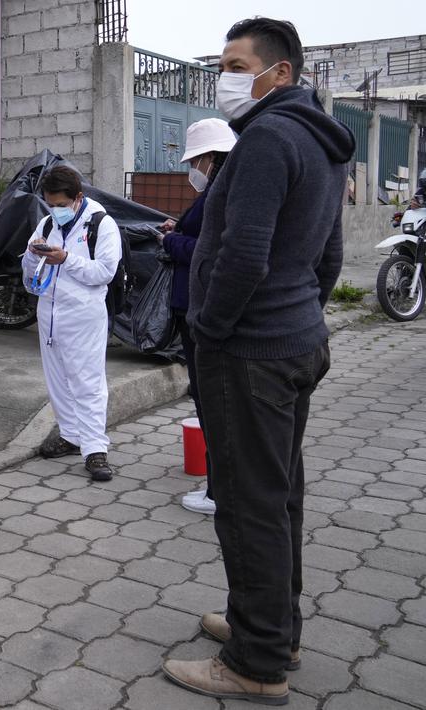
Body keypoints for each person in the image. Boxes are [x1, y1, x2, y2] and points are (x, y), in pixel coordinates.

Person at [161, 17, 352, 705]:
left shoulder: (267, 138)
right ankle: (272, 628)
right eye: (222, 63)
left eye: (237, 64)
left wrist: (210, 329)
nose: (225, 77)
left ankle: (254, 663)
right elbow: (326, 252)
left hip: (248, 352)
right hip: (296, 339)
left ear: (280, 73)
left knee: (246, 505)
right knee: (277, 497)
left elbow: (243, 252)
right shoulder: (319, 140)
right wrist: (303, 308)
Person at [158, 118, 237, 516]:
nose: (193, 170)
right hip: (205, 306)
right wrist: (180, 230)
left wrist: (171, 240)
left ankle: (218, 491)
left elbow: (209, 252)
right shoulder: (227, 188)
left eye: (196, 160)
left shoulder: (220, 193)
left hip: (199, 305)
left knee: (210, 398)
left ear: (208, 158)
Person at [23, 166, 120, 483]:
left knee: (88, 383)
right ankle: (70, 434)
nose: (56, 210)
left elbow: (103, 272)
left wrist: (65, 259)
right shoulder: (48, 222)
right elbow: (30, 270)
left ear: (79, 198)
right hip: (50, 314)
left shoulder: (101, 225)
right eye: (51, 204)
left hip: (83, 316)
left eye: (61, 204)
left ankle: (95, 448)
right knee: (58, 380)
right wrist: (32, 252)